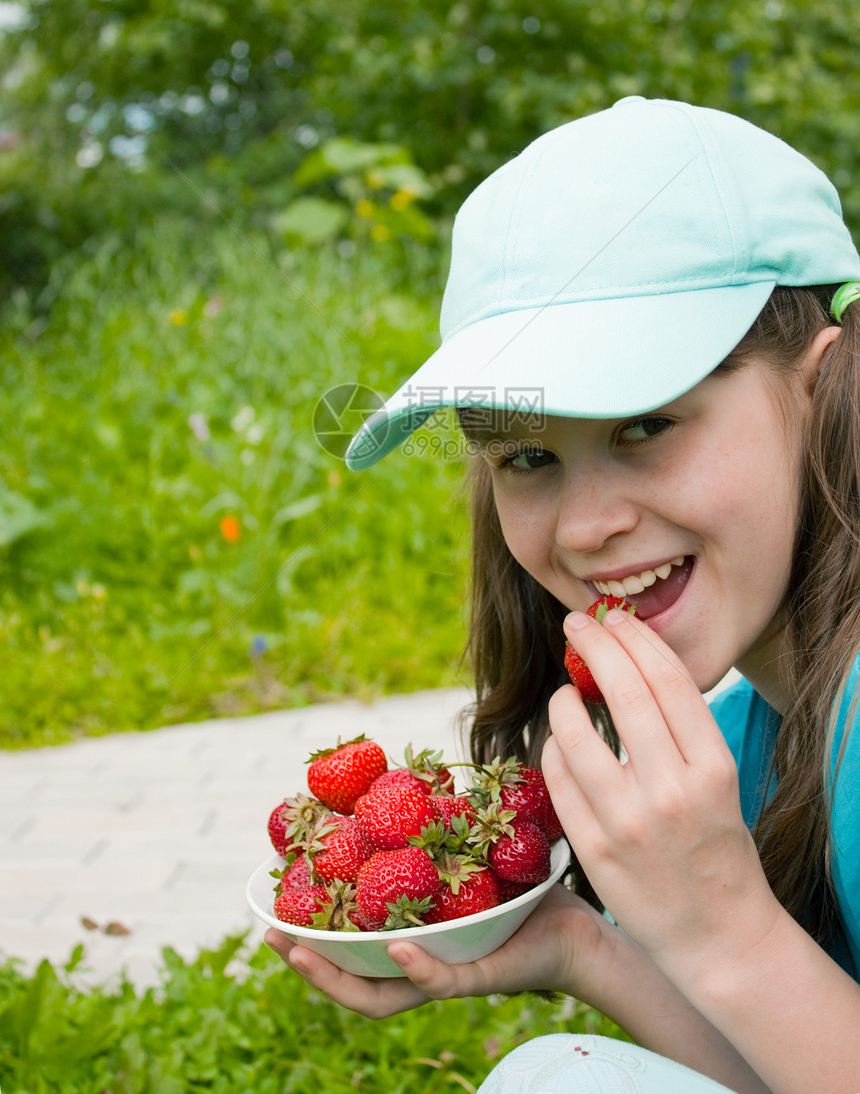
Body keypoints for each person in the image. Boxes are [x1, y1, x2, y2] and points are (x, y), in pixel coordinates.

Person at [265, 98, 860, 1092]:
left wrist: (727, 927)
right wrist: (583, 946)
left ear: (819, 381)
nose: (583, 527)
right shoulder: (734, 735)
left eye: (645, 425)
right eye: (529, 453)